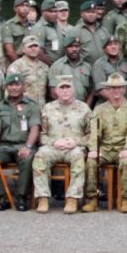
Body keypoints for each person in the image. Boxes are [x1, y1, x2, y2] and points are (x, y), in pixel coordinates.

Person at [32, 75, 90, 214]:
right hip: (53, 147)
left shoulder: (84, 108)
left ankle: (72, 198)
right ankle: (43, 198)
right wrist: (53, 142)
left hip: (75, 148)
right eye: (62, 88)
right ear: (56, 91)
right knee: (40, 156)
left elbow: (91, 134)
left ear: (73, 90)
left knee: (78, 158)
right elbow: (41, 134)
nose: (65, 91)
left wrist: (77, 142)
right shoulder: (48, 108)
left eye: (68, 87)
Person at [0, 73, 40, 212]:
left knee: (27, 159)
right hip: (3, 145)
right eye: (11, 85)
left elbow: (35, 128)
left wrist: (28, 146)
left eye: (17, 84)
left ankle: (21, 197)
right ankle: (1, 196)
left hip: (23, 145)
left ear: (23, 87)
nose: (14, 87)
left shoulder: (32, 105)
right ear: (6, 87)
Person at [86, 73, 127, 213]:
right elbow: (94, 132)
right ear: (108, 90)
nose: (116, 91)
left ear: (124, 89)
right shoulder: (99, 109)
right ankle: (93, 198)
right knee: (91, 161)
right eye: (113, 88)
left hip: (123, 148)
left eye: (119, 88)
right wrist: (93, 149)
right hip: (105, 148)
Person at [47, 33, 93, 106]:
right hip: (63, 107)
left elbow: (91, 91)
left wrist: (86, 106)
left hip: (82, 107)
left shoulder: (87, 67)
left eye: (76, 46)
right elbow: (53, 92)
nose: (74, 49)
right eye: (70, 46)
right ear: (65, 49)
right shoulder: (57, 66)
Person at [6, 35, 49, 105]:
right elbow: (9, 91)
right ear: (23, 49)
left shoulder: (44, 67)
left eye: (35, 46)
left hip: (41, 107)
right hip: (24, 107)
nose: (33, 49)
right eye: (30, 46)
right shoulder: (16, 66)